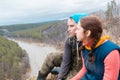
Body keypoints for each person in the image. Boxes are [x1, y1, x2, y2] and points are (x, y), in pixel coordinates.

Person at [37, 13, 88, 80]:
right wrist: (61, 77)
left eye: (72, 26)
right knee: (51, 57)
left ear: (81, 26)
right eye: (68, 26)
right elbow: (66, 61)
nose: (68, 29)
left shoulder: (89, 41)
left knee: (53, 77)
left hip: (80, 70)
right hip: (72, 63)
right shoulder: (70, 40)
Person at [71, 15, 120, 80]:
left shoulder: (111, 52)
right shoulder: (85, 47)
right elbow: (85, 69)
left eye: (78, 29)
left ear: (88, 33)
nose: (75, 31)